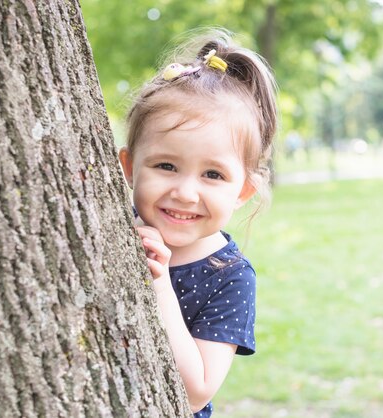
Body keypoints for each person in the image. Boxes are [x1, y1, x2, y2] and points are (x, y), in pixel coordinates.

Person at [118, 28, 278, 417]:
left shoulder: (230, 276)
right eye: (166, 166)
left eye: (213, 175)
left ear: (243, 192)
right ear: (128, 168)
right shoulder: (117, 229)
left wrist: (159, 286)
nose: (186, 193)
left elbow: (195, 393)